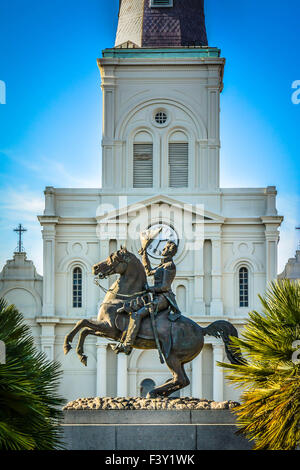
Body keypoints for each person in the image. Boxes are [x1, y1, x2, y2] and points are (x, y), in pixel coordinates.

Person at [115, 238, 181, 355]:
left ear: (170, 252)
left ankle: (127, 345)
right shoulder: (163, 265)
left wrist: (149, 288)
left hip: (164, 298)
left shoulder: (169, 266)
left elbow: (165, 287)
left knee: (138, 314)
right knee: (134, 303)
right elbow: (149, 271)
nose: (163, 250)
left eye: (165, 248)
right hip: (155, 296)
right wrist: (144, 253)